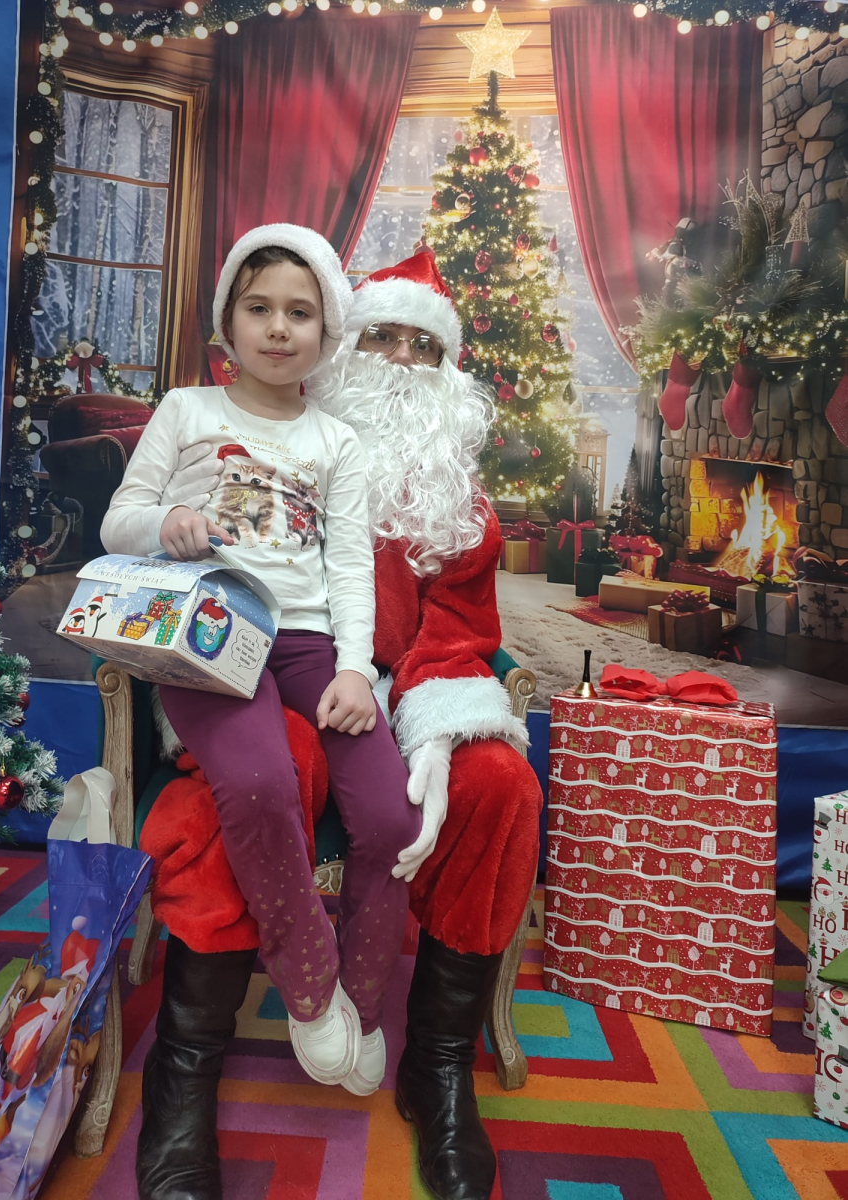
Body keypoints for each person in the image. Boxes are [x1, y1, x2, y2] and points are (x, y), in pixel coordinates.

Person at [149, 247, 544, 1200]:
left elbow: (463, 631)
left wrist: (435, 724)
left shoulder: (458, 504)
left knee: (503, 786)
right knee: (259, 774)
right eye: (383, 337)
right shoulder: (280, 443)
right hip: (267, 678)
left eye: (424, 346)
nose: (402, 359)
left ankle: (437, 1062)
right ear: (343, 345)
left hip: (401, 694)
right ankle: (186, 1070)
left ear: (447, 370)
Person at [100, 225, 421, 1198]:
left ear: (325, 331)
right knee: (258, 782)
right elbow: (118, 519)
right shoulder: (188, 409)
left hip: (310, 643)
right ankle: (308, 980)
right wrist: (167, 523)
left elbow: (349, 567)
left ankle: (363, 994)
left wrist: (356, 671)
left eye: (299, 312)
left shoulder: (336, 442)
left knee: (391, 815)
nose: (279, 328)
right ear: (227, 323)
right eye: (259, 308)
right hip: (208, 627)